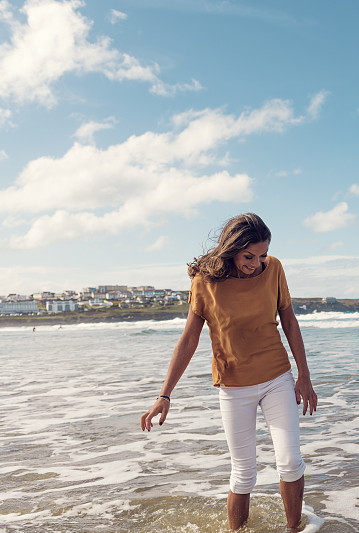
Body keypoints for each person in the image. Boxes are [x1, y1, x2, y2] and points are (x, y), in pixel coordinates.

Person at [140, 212, 317, 532]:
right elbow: (189, 339)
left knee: (290, 462)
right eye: (249, 256)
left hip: (277, 377)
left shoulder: (274, 269)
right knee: (244, 472)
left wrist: (304, 376)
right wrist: (164, 394)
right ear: (231, 248)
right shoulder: (204, 282)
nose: (257, 262)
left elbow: (289, 322)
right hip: (234, 386)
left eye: (262, 254)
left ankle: (293, 529)